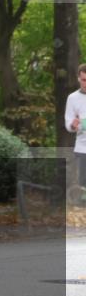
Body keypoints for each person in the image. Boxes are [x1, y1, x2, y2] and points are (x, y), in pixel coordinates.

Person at [65, 63, 86, 202]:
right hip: (82, 149)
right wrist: (73, 124)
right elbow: (68, 124)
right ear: (78, 78)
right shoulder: (72, 98)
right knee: (83, 188)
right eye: (84, 80)